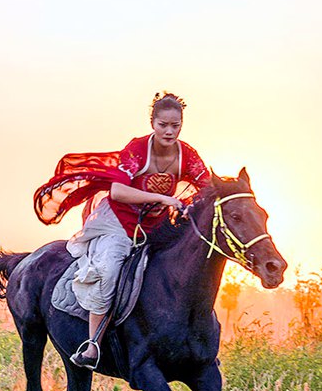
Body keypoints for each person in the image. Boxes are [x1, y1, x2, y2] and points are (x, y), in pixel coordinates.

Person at [32, 92, 211, 369]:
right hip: (118, 223)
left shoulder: (187, 154)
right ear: (153, 123)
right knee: (110, 271)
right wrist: (163, 199)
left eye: (175, 125)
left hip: (155, 226)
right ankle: (92, 344)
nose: (169, 131)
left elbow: (207, 187)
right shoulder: (138, 149)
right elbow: (117, 191)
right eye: (163, 124)